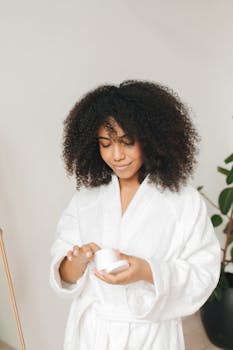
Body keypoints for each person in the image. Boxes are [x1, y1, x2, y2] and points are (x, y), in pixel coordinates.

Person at [50, 80, 220, 350]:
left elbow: (203, 273)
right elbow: (64, 276)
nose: (116, 155)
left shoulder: (184, 201)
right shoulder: (85, 200)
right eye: (106, 144)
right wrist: (77, 261)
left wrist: (147, 271)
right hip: (94, 334)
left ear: (152, 139)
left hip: (151, 337)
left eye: (127, 143)